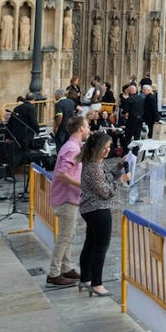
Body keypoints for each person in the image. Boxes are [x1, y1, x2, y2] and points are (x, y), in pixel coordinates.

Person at [77, 131, 131, 297]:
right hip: (97, 209)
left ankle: (85, 278)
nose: (108, 150)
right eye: (105, 147)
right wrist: (121, 181)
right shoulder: (93, 167)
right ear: (96, 148)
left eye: (109, 147)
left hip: (92, 209)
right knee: (101, 246)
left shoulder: (96, 162)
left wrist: (119, 166)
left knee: (91, 243)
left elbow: (106, 178)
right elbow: (106, 191)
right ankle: (97, 283)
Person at [47, 115, 90, 287]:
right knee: (65, 236)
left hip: (69, 197)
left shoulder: (73, 146)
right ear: (80, 128)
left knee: (69, 234)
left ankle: (66, 267)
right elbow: (61, 173)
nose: (88, 130)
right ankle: (54, 272)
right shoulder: (72, 148)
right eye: (86, 126)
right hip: (66, 197)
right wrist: (81, 185)